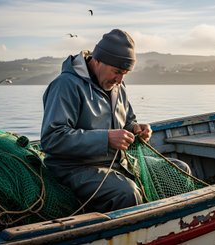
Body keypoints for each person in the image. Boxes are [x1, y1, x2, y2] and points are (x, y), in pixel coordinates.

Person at [40, 29, 152, 212]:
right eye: (117, 72)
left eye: (125, 73)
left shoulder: (117, 85)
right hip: (74, 169)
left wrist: (137, 129)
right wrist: (106, 139)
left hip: (117, 164)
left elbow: (128, 122)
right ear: (97, 60)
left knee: (181, 169)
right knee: (126, 193)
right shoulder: (65, 85)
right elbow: (52, 139)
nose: (120, 79)